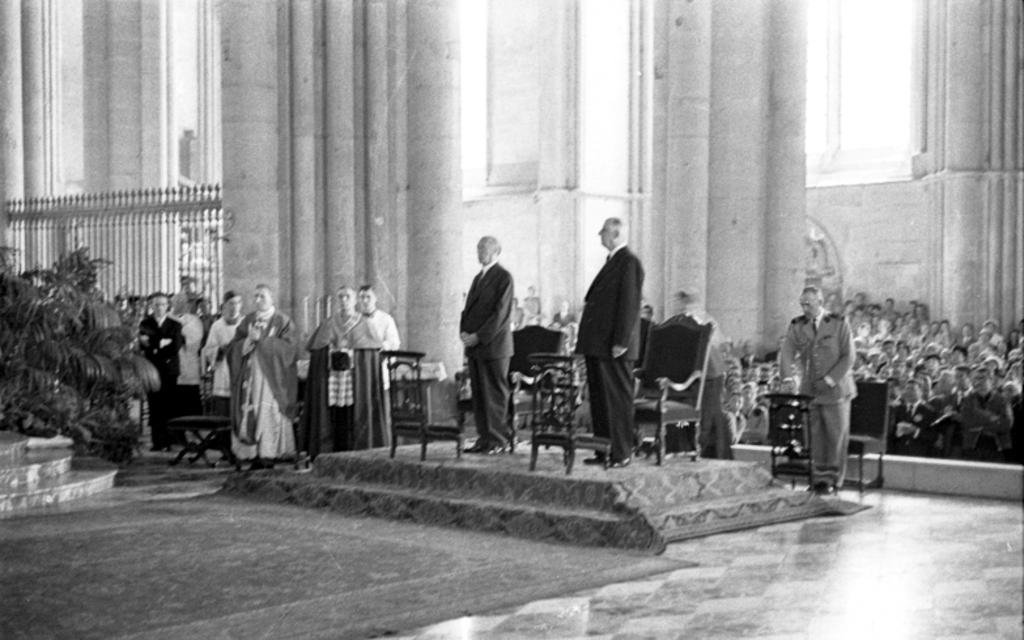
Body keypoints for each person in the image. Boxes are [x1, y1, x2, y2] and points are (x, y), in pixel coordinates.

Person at [575, 217, 644, 468]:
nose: (599, 235)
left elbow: (629, 304)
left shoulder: (629, 262)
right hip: (598, 345)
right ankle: (604, 449)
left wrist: (621, 341)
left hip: (614, 347)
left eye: (603, 231)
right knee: (601, 400)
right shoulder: (613, 261)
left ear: (614, 234)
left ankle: (621, 452)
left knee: (616, 401)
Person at [779, 285, 856, 495]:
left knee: (836, 435)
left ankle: (834, 479)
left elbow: (848, 357)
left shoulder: (838, 323)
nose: (805, 308)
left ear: (820, 302)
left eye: (809, 304)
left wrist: (829, 380)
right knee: (815, 435)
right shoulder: (797, 325)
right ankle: (819, 478)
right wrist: (787, 377)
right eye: (802, 304)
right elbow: (787, 352)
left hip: (836, 390)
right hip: (811, 390)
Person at [227, 284, 299, 469]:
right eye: (255, 296)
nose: (258, 300)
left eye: (262, 296)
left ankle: (269, 453)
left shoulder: (282, 321)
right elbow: (233, 348)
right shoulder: (247, 321)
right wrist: (248, 341)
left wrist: (263, 342)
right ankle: (251, 454)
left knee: (268, 413)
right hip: (249, 377)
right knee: (250, 412)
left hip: (271, 379)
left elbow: (290, 350)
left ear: (272, 299)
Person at [460, 236, 515, 454]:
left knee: (494, 394)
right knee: (480, 394)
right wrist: (463, 332)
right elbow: (468, 309)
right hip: (475, 347)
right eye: (478, 247)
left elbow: (500, 314)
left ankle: (498, 441)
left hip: (494, 347)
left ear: (496, 251)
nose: (479, 251)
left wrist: (478, 336)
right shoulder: (478, 278)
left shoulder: (504, 277)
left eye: (484, 248)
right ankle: (484, 438)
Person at [663, 290, 733, 459]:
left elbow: (718, 346)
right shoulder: (675, 322)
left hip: (707, 377)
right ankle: (680, 449)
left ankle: (706, 452)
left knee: (705, 418)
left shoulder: (701, 321)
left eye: (680, 305)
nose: (677, 309)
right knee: (681, 419)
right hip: (684, 377)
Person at [304, 286, 363, 457]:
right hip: (332, 376)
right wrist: (329, 350)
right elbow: (316, 348)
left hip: (352, 377)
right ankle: (331, 448)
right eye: (341, 297)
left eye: (348, 297)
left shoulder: (363, 322)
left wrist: (352, 353)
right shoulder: (329, 323)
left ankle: (353, 450)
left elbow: (368, 351)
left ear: (355, 300)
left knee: (352, 412)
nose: (344, 300)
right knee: (334, 414)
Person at [347, 284, 400, 449]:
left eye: (368, 297)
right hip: (359, 372)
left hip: (378, 369)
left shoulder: (386, 319)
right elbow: (347, 343)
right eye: (361, 297)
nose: (364, 301)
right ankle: (360, 444)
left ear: (375, 299)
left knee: (379, 408)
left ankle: (380, 443)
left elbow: (394, 342)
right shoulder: (353, 319)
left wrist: (377, 345)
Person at [139, 293, 184, 451]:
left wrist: (154, 345)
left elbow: (175, 347)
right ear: (151, 306)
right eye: (156, 305)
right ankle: (157, 441)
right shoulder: (145, 324)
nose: (159, 308)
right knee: (154, 405)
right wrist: (161, 343)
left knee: (168, 405)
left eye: (162, 304)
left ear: (167, 306)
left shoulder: (175, 325)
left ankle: (168, 441)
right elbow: (142, 345)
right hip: (151, 370)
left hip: (169, 370)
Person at [201, 291, 244, 417]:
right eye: (231, 303)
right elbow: (208, 349)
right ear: (224, 305)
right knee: (223, 413)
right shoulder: (217, 326)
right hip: (223, 370)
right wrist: (220, 349)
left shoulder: (245, 323)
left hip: (241, 369)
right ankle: (223, 436)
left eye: (237, 303)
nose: (234, 306)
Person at [171, 295, 204, 417]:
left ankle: (193, 428)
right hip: (172, 366)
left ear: (186, 304)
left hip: (188, 364)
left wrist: (176, 333)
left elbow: (192, 340)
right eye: (176, 301)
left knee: (191, 403)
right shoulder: (168, 317)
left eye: (182, 301)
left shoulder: (194, 320)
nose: (179, 303)